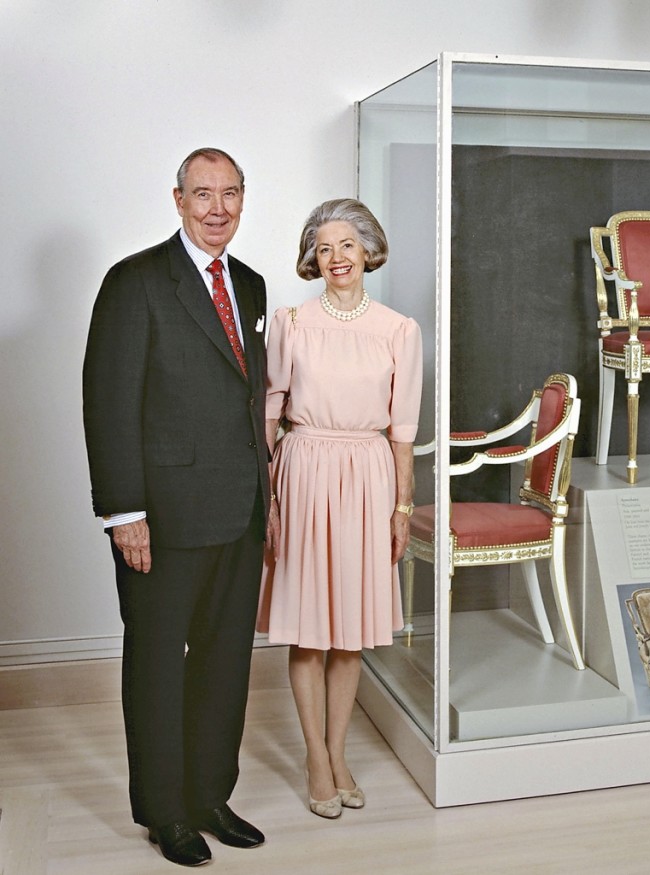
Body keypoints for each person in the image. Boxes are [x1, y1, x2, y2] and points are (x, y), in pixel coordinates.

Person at [83, 148, 275, 867]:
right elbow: (107, 404)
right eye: (203, 194)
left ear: (242, 198)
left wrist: (269, 495)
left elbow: (248, 400)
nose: (217, 207)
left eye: (230, 193)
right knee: (159, 664)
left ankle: (209, 795)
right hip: (160, 519)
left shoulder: (251, 285)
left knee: (225, 664)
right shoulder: (135, 282)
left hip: (240, 511)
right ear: (177, 199)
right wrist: (122, 511)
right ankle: (166, 811)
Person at [256, 198, 422, 820]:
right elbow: (269, 413)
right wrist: (269, 495)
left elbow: (402, 428)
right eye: (324, 248)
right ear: (311, 258)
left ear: (368, 251)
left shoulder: (398, 329)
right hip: (302, 472)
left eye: (347, 246)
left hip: (368, 477)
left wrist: (403, 505)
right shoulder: (290, 323)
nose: (336, 258)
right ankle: (315, 759)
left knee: (349, 633)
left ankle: (339, 750)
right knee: (307, 629)